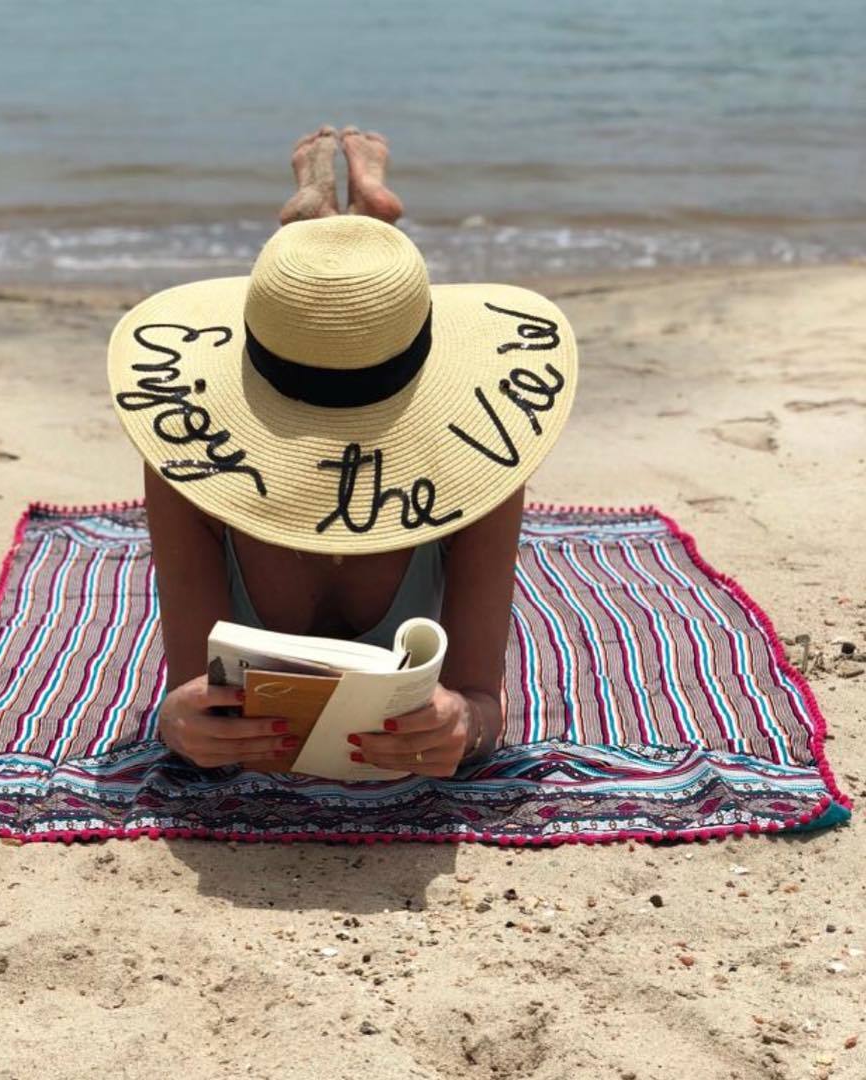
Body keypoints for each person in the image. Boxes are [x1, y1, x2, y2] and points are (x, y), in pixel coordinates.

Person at [106, 126, 578, 778]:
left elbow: (481, 702)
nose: (330, 436)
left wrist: (464, 727)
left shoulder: (482, 458)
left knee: (350, 315)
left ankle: (334, 223)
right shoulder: (189, 461)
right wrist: (179, 723)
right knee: (329, 314)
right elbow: (192, 693)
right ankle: (339, 225)